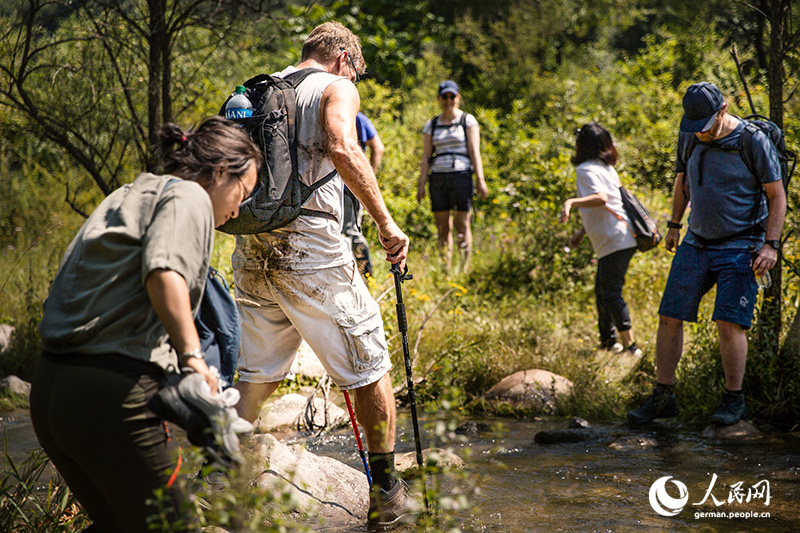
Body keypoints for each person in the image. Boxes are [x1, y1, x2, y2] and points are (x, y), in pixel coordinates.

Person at [29, 116, 261, 532]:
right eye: (242, 193)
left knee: (118, 524)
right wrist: (194, 361)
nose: (237, 210)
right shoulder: (190, 196)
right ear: (222, 171)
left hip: (51, 391)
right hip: (109, 392)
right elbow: (165, 273)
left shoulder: (129, 193)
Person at [229, 22, 416, 530]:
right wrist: (386, 223)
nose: (357, 79)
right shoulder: (336, 86)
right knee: (369, 364)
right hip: (310, 246)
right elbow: (340, 144)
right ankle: (385, 492)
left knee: (256, 374)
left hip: (254, 246)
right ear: (341, 58)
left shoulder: (262, 88)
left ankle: (213, 473)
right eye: (358, 70)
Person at [627, 81, 786, 426]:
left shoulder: (752, 141)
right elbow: (682, 181)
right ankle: (663, 397)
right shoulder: (690, 133)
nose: (699, 133)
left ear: (723, 111)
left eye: (705, 126)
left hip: (741, 244)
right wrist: (673, 223)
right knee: (670, 315)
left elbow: (777, 196)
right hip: (696, 242)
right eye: (693, 127)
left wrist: (770, 245)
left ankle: (734, 401)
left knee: (729, 323)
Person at [560, 123, 643, 357]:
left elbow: (601, 199)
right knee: (602, 291)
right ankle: (608, 342)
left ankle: (631, 346)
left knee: (610, 293)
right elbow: (607, 206)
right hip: (621, 236)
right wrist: (580, 232)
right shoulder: (605, 168)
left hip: (614, 239)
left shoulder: (585, 170)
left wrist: (570, 203)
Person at [417, 79, 488, 271]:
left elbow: (475, 152)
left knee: (462, 224)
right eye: (444, 97)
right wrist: (421, 184)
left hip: (461, 175)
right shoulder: (432, 124)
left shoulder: (467, 120)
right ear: (439, 99)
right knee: (442, 227)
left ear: (458, 97)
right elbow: (425, 156)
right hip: (438, 177)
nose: (448, 100)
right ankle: (445, 268)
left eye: (452, 96)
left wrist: (480, 180)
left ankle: (464, 267)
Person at [343, 111, 385, 277]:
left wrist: (366, 181)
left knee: (350, 231)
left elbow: (378, 147)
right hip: (331, 189)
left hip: (351, 188)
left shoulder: (356, 117)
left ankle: (366, 275)